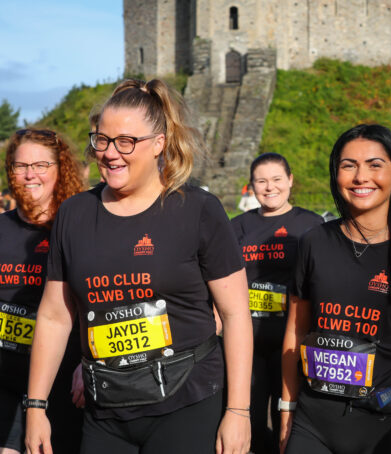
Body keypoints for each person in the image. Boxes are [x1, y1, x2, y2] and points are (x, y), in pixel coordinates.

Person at [24, 79, 253, 454]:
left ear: (159, 143)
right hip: (106, 410)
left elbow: (236, 313)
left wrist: (239, 410)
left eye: (126, 142)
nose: (111, 153)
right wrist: (36, 407)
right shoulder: (74, 214)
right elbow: (54, 317)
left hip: (187, 401)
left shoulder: (198, 209)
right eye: (102, 140)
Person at [280, 124, 391, 454]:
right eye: (349, 166)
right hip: (313, 422)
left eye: (375, 165)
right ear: (336, 175)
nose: (361, 177)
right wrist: (286, 408)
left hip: (387, 426)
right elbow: (295, 331)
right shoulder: (313, 242)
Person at [231, 153, 323, 453]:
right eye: (261, 181)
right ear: (252, 186)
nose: (269, 187)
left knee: (289, 424)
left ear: (290, 180)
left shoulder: (311, 224)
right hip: (248, 340)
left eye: (276, 180)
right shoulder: (238, 227)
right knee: (251, 424)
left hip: (293, 339)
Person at [1, 128, 85, 454]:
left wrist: (88, 364)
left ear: (60, 168)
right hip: (5, 377)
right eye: (21, 166)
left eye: (41, 165)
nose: (30, 174)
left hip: (63, 383)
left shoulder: (77, 229)